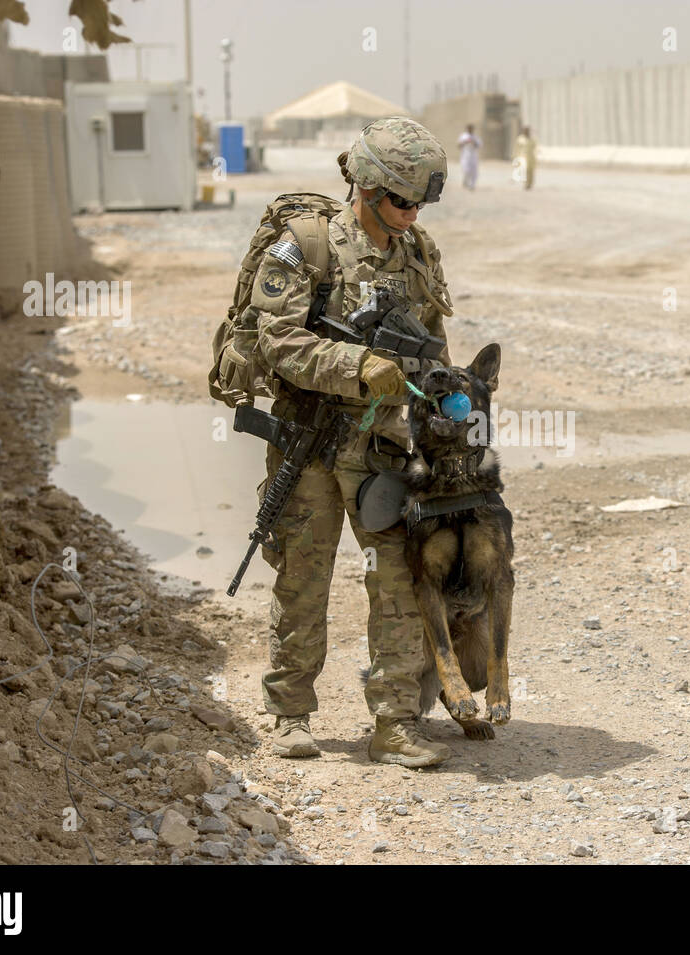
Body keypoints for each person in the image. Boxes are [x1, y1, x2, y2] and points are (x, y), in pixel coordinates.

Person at [249, 116, 456, 767]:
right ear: (364, 187)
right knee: (302, 580)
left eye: (420, 200)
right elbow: (276, 340)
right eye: (400, 198)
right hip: (309, 441)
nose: (410, 211)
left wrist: (446, 425)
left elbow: (433, 351)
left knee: (396, 577)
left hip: (378, 446)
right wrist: (355, 366)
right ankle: (288, 713)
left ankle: (393, 720)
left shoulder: (416, 254)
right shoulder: (304, 247)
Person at [457, 124, 482, 190]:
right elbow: (459, 145)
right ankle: (465, 181)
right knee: (466, 170)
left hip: (474, 156)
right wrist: (465, 142)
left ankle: (472, 185)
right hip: (465, 156)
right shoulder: (463, 136)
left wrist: (473, 142)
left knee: (474, 171)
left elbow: (479, 145)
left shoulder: (476, 137)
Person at [512, 125, 537, 190]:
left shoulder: (532, 139)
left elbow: (535, 148)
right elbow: (516, 148)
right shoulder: (520, 139)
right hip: (522, 157)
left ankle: (530, 183)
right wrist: (515, 157)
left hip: (531, 158)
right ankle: (526, 184)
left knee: (531, 171)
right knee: (524, 171)